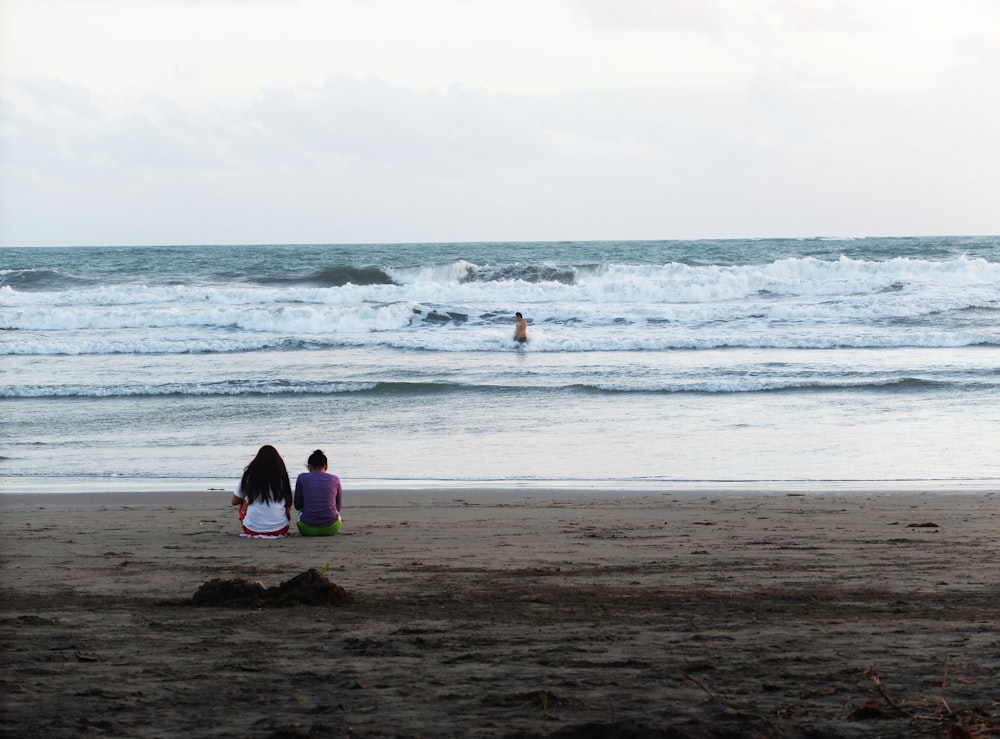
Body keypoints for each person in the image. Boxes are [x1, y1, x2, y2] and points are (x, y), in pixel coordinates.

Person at [231, 445, 293, 536]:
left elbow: (234, 501)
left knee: (244, 502)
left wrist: (250, 497)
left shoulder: (249, 475)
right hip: (280, 529)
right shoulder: (282, 476)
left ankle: (253, 520)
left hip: (251, 529)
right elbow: (289, 502)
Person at [293, 449, 343, 536]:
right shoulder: (335, 479)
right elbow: (338, 508)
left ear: (309, 466)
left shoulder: (302, 478)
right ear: (326, 466)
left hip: (307, 528)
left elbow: (297, 505)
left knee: (301, 513)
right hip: (331, 528)